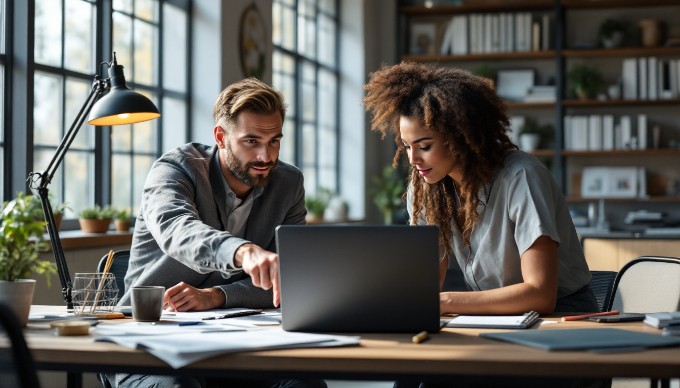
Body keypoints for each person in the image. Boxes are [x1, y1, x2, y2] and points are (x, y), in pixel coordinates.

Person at [364, 63, 604, 388]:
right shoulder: (425, 190)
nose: (413, 159)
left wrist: (445, 302)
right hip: (497, 318)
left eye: (424, 146)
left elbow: (540, 294)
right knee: (412, 379)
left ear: (459, 136)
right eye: (406, 146)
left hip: (561, 318)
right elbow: (425, 287)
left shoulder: (521, 177)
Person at [107, 78, 324, 388]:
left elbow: (285, 278)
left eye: (274, 140)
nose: (266, 156)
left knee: (303, 384)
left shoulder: (288, 183)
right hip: (151, 344)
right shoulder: (174, 169)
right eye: (251, 141)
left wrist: (217, 296)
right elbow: (178, 232)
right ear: (221, 137)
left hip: (242, 349)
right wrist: (242, 252)